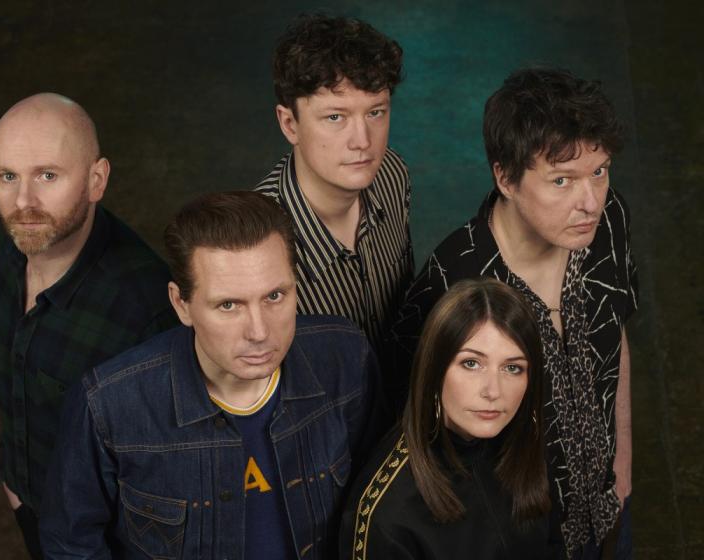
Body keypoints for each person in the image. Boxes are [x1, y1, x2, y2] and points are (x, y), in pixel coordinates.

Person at [39, 191, 379, 560]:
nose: (259, 331)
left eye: (274, 296)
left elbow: (378, 499)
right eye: (229, 305)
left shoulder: (345, 358)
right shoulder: (109, 405)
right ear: (181, 304)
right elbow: (71, 546)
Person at [389, 68, 637, 558]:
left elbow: (615, 335)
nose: (590, 202)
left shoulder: (609, 222)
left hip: (610, 507)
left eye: (600, 171)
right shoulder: (450, 284)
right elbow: (422, 436)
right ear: (505, 177)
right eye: (562, 180)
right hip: (517, 538)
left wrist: (623, 464)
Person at [0, 93, 175, 558]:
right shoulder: (18, 244)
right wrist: (18, 488)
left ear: (96, 180)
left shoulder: (145, 312)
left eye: (47, 175)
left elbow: (161, 482)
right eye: (7, 176)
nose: (23, 201)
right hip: (34, 506)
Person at [340, 278, 557, 559]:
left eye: (512, 368)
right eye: (471, 363)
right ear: (434, 367)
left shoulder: (526, 441)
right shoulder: (387, 513)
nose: (493, 391)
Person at [255, 13, 414, 359]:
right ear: (289, 124)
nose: (362, 141)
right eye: (335, 117)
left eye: (375, 113)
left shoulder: (392, 172)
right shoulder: (255, 242)